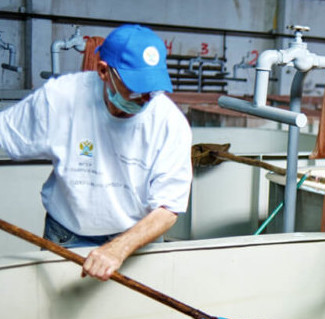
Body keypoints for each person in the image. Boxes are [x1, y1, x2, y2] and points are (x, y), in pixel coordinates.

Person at [0, 24, 192, 281]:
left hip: (138, 242)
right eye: (136, 89)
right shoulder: (61, 98)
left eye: (152, 89)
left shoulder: (169, 122)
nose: (146, 99)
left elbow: (169, 206)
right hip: (68, 238)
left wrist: (118, 248)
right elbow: (5, 134)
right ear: (104, 71)